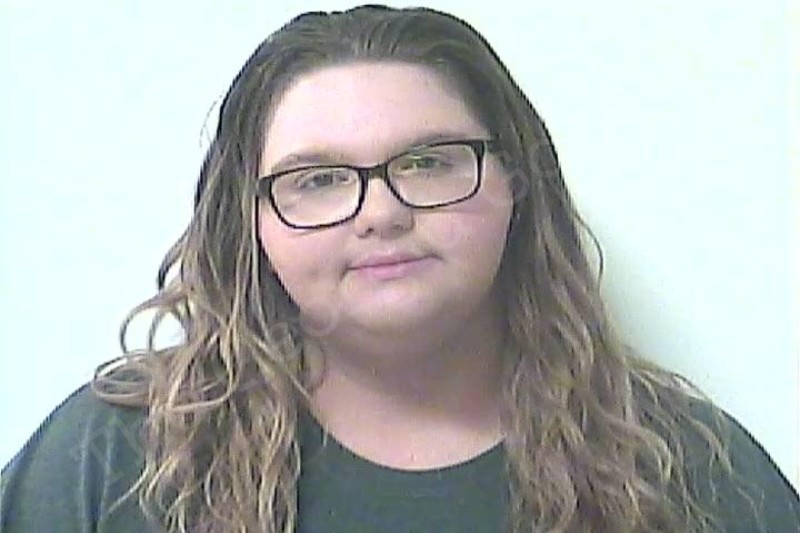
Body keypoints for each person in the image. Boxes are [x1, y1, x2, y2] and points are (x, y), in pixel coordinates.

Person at [1, 5, 798, 532]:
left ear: (517, 186)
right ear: (251, 225)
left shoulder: (684, 464)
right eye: (317, 179)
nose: (380, 212)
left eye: (428, 161)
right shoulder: (116, 454)